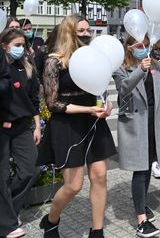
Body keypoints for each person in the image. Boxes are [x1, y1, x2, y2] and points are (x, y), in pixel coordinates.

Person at [39, 15, 116, 238]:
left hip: (93, 121)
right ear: (68, 32)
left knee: (100, 175)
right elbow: (52, 104)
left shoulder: (95, 57)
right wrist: (87, 110)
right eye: (80, 30)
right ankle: (51, 220)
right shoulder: (53, 62)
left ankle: (97, 231)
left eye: (87, 30)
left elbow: (100, 87)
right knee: (73, 185)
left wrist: (106, 104)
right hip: (67, 124)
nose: (86, 34)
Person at [113, 35, 160, 238]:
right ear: (129, 47)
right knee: (140, 169)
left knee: (148, 166)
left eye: (146, 45)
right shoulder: (122, 66)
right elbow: (123, 89)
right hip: (135, 123)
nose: (144, 49)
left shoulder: (155, 65)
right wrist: (140, 70)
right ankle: (141, 219)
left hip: (153, 121)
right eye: (139, 46)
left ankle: (141, 203)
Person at [0, 29, 41, 238]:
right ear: (4, 45)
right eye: (17, 44)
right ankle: (7, 223)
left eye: (23, 44)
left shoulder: (26, 68)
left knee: (31, 170)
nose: (21, 49)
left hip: (22, 127)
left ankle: (8, 211)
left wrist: (37, 126)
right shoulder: (2, 68)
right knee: (2, 177)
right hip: (2, 128)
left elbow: (33, 100)